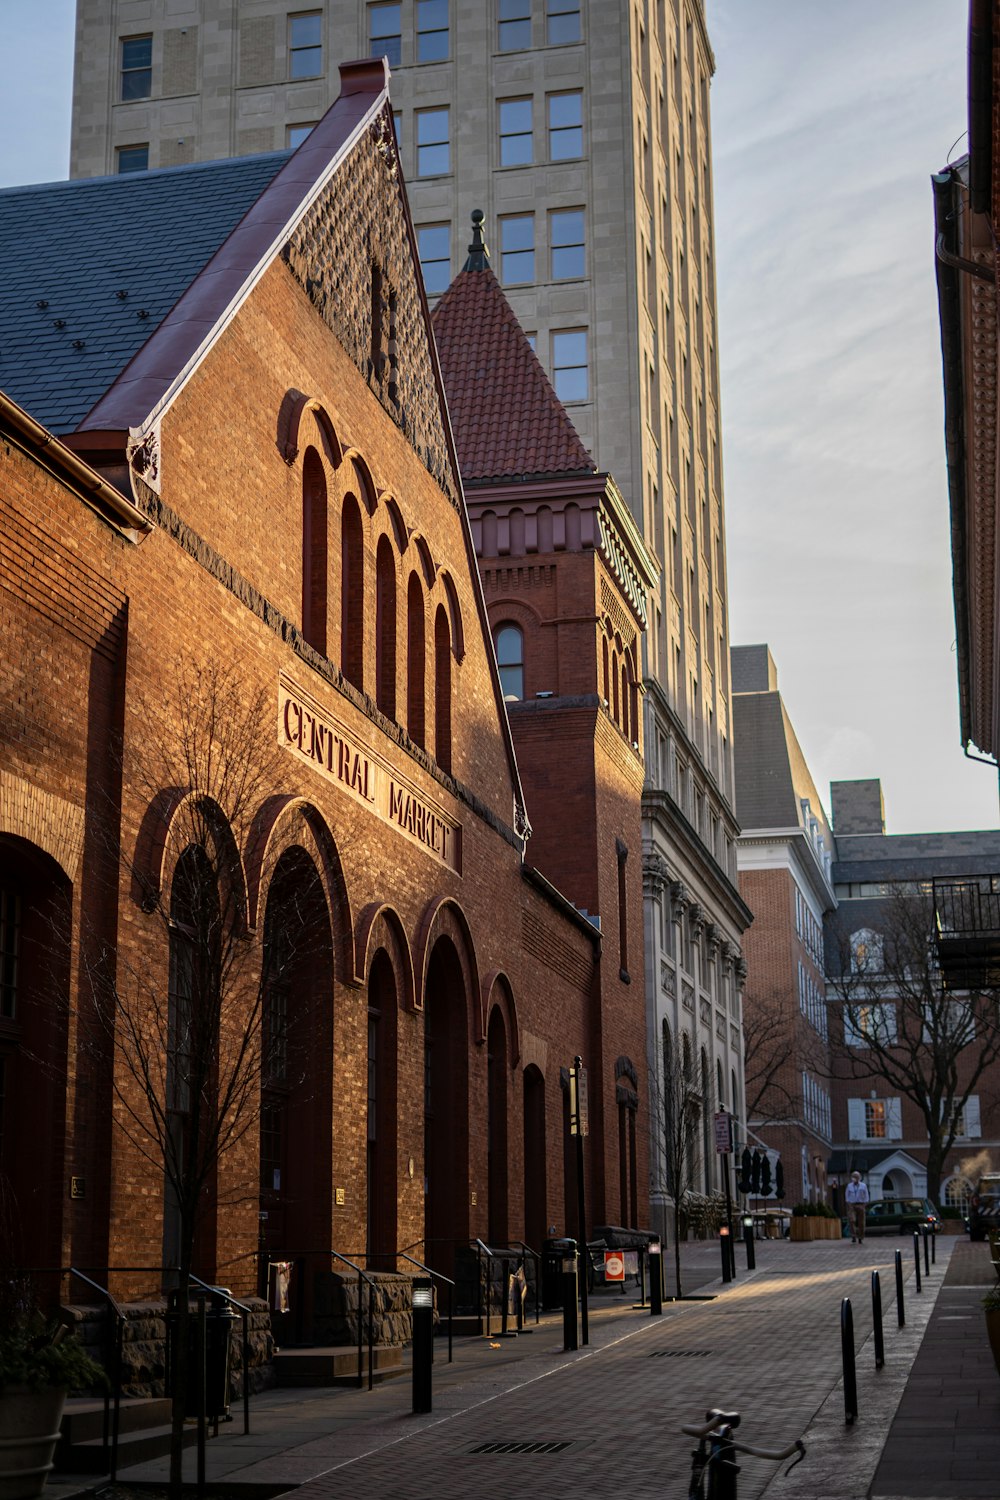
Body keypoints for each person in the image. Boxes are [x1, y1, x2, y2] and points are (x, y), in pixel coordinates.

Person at [845, 1171, 869, 1243]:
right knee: (852, 1220)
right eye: (853, 1176)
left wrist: (864, 1204)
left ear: (859, 1178)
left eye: (856, 1177)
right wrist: (848, 1203)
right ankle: (853, 1235)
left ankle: (860, 1237)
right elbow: (847, 1195)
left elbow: (866, 1195)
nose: (854, 1178)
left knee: (861, 1222)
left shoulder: (863, 1186)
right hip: (852, 1205)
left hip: (861, 1204)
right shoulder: (849, 1186)